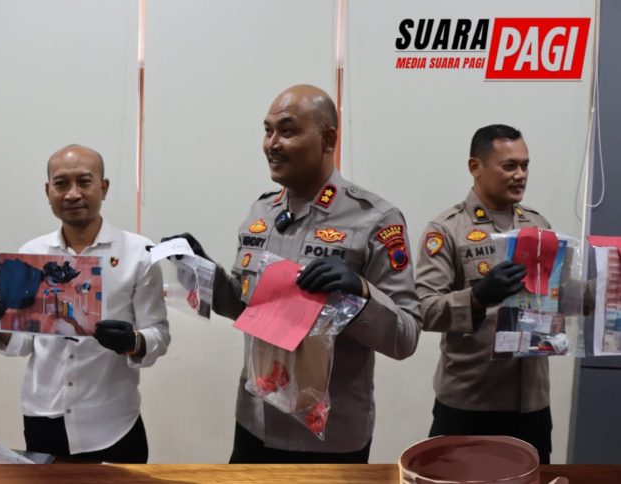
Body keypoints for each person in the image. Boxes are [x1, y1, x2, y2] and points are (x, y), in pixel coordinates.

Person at [165, 85, 421, 463]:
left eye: (286, 131)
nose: (272, 144)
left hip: (330, 437)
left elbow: (406, 337)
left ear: (328, 139)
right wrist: (202, 270)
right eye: (267, 131)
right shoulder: (262, 213)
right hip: (256, 423)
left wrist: (361, 293)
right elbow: (245, 308)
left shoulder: (375, 218)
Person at [0, 144, 169, 463]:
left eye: (84, 181)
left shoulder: (138, 253)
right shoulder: (31, 254)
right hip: (43, 415)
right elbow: (21, 344)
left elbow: (159, 333)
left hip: (113, 421)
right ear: (48, 191)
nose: (72, 193)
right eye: (61, 184)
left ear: (104, 188)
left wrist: (133, 341)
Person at [414, 124, 554, 463]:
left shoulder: (539, 227)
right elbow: (424, 309)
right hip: (469, 404)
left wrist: (605, 286)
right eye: (509, 166)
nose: (521, 175)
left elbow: (559, 295)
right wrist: (477, 297)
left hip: (531, 406)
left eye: (525, 165)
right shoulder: (447, 229)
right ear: (475, 167)